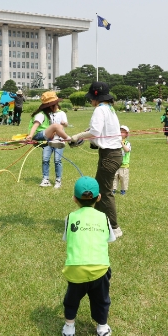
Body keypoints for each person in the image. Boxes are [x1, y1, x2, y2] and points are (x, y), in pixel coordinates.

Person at [61, 176, 116, 336]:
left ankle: (69, 330)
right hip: (99, 269)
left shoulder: (69, 218)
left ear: (74, 199)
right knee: (101, 299)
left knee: (71, 299)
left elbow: (67, 238)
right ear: (98, 198)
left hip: (75, 269)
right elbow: (110, 239)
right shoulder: (104, 217)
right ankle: (102, 329)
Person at [69, 82, 123, 237]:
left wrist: (78, 136)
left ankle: (114, 228)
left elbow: (95, 132)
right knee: (100, 189)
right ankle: (99, 222)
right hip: (112, 154)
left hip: (110, 155)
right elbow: (96, 132)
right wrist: (81, 137)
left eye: (91, 98)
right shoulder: (109, 109)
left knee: (104, 192)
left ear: (96, 97)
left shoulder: (100, 110)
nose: (90, 101)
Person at [39, 99, 69, 189]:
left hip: (59, 140)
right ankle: (45, 179)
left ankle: (58, 180)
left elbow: (66, 124)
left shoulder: (62, 113)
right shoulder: (47, 114)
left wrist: (64, 123)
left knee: (57, 160)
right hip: (48, 140)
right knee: (45, 159)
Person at [112, 125, 131, 195]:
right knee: (114, 177)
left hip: (124, 164)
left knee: (123, 178)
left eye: (123, 132)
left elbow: (126, 150)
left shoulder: (127, 143)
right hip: (116, 163)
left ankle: (123, 190)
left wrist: (122, 143)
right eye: (120, 131)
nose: (121, 133)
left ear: (126, 134)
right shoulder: (115, 142)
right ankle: (113, 189)